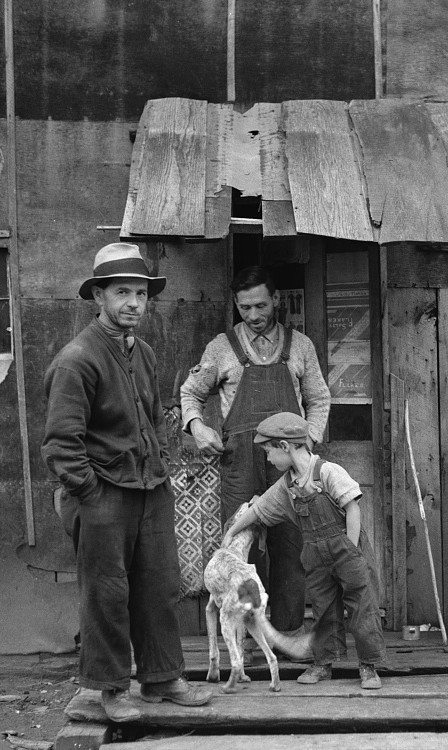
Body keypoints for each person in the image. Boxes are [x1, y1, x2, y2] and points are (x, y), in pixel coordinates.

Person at [41, 242, 211, 723]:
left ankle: (161, 677)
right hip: (102, 494)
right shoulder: (77, 359)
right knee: (107, 592)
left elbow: (154, 419)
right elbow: (60, 443)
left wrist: (160, 471)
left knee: (160, 585)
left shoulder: (147, 353)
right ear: (98, 296)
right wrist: (91, 496)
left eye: (141, 293)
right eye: (122, 292)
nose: (134, 303)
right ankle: (111, 687)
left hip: (150, 489)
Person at [180, 266, 330, 636]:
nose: (253, 316)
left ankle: (288, 630)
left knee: (290, 547)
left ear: (276, 300)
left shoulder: (301, 346)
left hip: (288, 465)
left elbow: (319, 398)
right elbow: (191, 393)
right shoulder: (220, 348)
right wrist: (197, 427)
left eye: (261, 306)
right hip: (239, 466)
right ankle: (250, 630)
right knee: (240, 551)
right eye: (245, 308)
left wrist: (306, 444)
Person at [223, 412, 385, 689]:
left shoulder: (328, 471)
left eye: (269, 451)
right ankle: (323, 663)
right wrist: (231, 531)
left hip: (346, 548)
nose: (268, 459)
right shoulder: (286, 485)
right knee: (324, 609)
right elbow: (259, 510)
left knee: (361, 606)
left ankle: (368, 666)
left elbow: (352, 507)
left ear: (285, 446)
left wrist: (350, 546)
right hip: (314, 554)